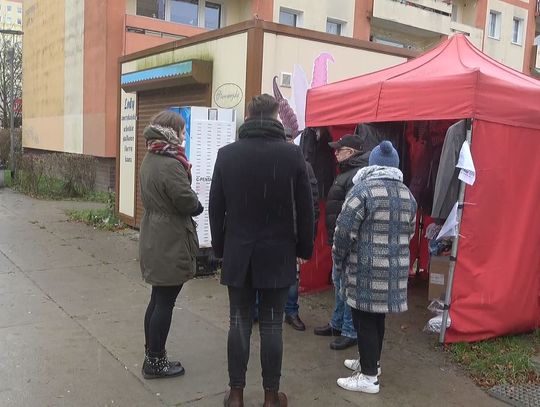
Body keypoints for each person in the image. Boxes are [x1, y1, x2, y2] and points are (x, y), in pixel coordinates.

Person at [209, 94, 314, 407]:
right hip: (278, 252)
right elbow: (305, 208)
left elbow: (216, 208)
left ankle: (237, 395)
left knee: (239, 322)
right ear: (275, 117)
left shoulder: (227, 155)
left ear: (249, 115)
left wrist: (220, 248)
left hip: (239, 252)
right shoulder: (292, 155)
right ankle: (271, 397)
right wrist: (304, 249)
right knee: (271, 325)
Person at [333, 141, 417, 394]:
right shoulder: (407, 194)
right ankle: (372, 363)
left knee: (364, 318)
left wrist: (338, 259)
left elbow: (343, 231)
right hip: (394, 270)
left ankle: (368, 377)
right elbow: (410, 232)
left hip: (366, 270)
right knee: (376, 318)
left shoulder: (363, 191)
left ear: (372, 165)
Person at [139, 110, 204, 379]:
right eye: (182, 131)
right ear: (172, 132)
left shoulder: (152, 156)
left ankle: (152, 354)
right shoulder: (170, 163)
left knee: (158, 298)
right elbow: (185, 200)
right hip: (169, 238)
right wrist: (197, 204)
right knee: (164, 301)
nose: (184, 136)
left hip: (155, 235)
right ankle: (156, 362)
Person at [313, 134, 368, 350]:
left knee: (346, 286)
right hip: (339, 236)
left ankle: (349, 330)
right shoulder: (347, 172)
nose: (335, 152)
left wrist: (344, 237)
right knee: (339, 284)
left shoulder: (355, 175)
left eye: (340, 149)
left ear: (351, 153)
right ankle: (337, 324)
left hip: (348, 240)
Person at [283, 127, 320, 331]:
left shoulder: (304, 167)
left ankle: (291, 312)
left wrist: (309, 236)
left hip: (294, 233)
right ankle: (257, 310)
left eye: (289, 140)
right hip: (272, 232)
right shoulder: (269, 163)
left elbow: (312, 203)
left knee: (292, 276)